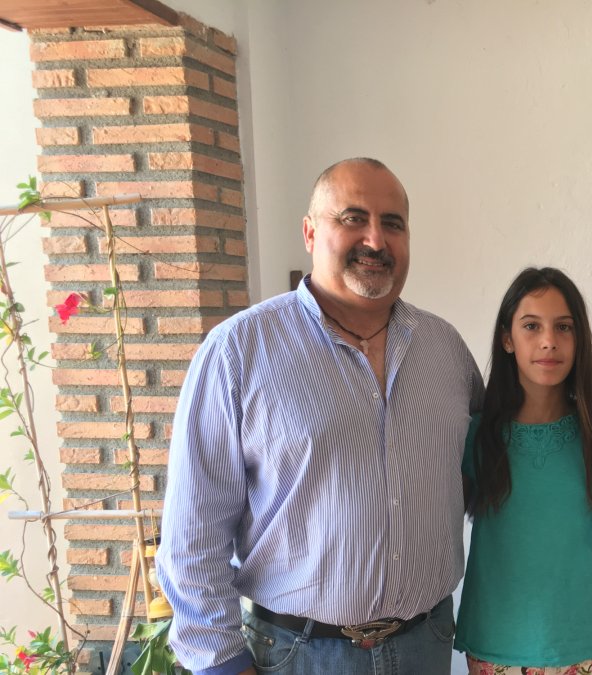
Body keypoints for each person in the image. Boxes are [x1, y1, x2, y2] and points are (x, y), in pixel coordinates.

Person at [157, 158, 483, 675]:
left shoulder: (446, 350)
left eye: (392, 223)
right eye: (352, 218)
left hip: (427, 642)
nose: (375, 239)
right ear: (310, 232)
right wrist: (221, 664)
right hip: (294, 654)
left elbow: (493, 473)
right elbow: (192, 535)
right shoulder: (238, 351)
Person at [456, 267, 592, 675]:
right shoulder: (475, 438)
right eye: (531, 326)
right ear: (507, 339)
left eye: (563, 327)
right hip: (495, 645)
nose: (549, 341)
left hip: (588, 644)